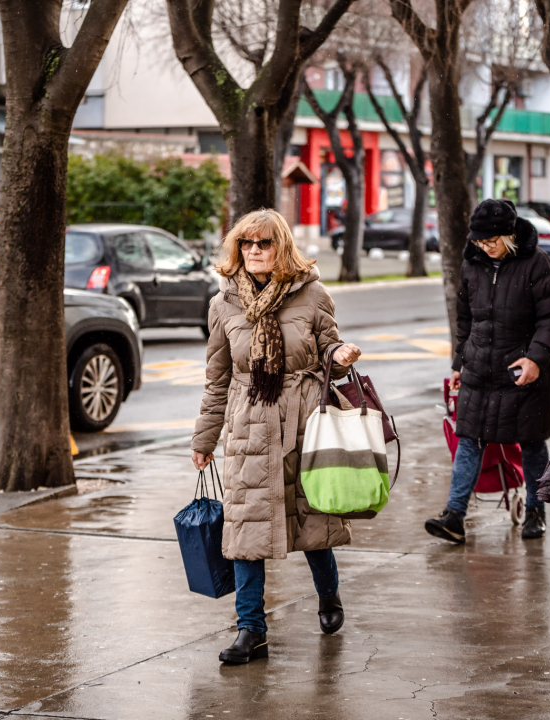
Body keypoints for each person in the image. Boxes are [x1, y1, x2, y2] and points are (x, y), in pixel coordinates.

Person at [191, 209, 361, 664]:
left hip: (303, 421)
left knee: (312, 519)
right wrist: (204, 439)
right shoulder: (223, 303)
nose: (253, 251)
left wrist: (339, 355)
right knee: (247, 531)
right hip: (247, 426)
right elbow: (217, 378)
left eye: (263, 243)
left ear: (280, 247)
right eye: (245, 244)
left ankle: (328, 595)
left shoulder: (312, 293)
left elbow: (327, 349)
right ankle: (251, 629)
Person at [424, 199, 550, 543]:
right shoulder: (472, 264)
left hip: (522, 371)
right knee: (469, 439)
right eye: (480, 242)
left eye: (491, 241)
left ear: (510, 235)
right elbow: (465, 319)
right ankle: (454, 515)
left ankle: (536, 510)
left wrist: (535, 359)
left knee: (531, 443)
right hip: (479, 370)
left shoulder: (536, 263)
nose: (485, 248)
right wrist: (459, 363)